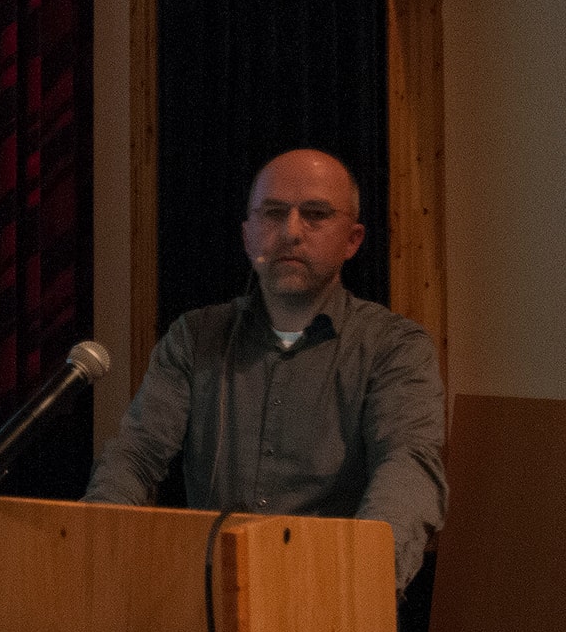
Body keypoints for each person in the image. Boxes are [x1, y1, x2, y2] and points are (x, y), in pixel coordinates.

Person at [84, 148, 447, 597]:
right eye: (273, 213)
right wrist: (94, 547)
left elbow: (407, 465)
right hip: (210, 605)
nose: (291, 232)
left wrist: (361, 582)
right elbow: (137, 455)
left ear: (353, 240)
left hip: (331, 598)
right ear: (247, 235)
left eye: (315, 214)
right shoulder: (195, 338)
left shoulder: (394, 347)